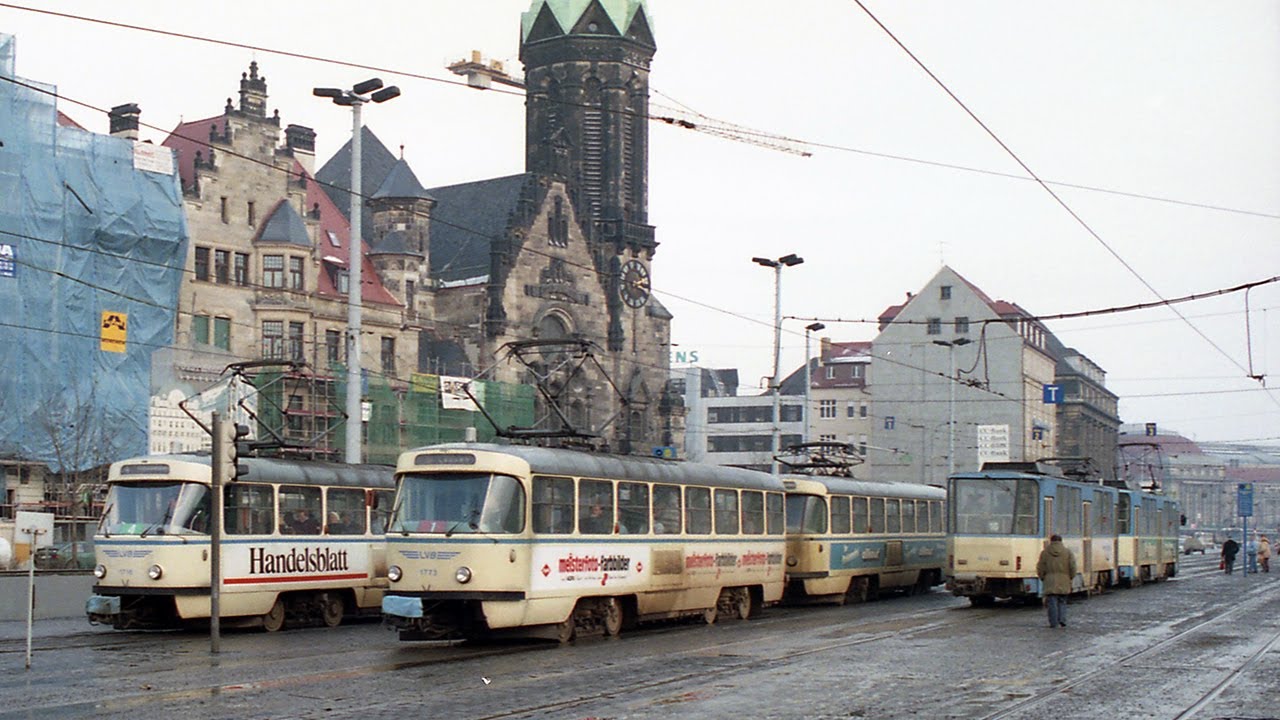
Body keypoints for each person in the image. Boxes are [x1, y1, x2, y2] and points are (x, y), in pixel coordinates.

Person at [1036, 534, 1077, 629]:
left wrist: (1043, 577)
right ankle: (1062, 620)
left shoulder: (1045, 553)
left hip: (1049, 580)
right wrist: (1070, 577)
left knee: (1052, 602)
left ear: (1051, 541)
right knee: (1062, 601)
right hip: (1064, 579)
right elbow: (1073, 567)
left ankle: (1053, 622)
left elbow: (1040, 567)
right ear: (1061, 541)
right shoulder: (1068, 552)